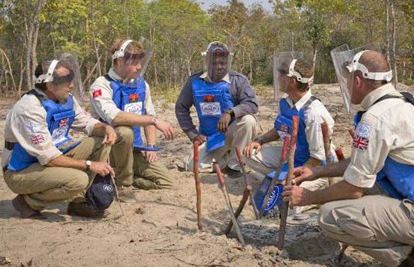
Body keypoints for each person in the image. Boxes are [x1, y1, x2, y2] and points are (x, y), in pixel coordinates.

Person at [283, 49, 414, 267]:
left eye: (346, 80)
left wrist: (310, 197)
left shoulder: (375, 118)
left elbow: (354, 188)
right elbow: (362, 165)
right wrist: (318, 171)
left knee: (331, 215)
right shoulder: (406, 103)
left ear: (358, 80)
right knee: (368, 187)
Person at [2, 59, 125, 219]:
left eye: (71, 79)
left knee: (99, 140)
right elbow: (49, 158)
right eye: (66, 81)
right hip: (20, 170)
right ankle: (28, 202)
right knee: (78, 180)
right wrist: (89, 165)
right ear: (50, 86)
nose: (71, 85)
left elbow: (86, 122)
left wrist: (106, 128)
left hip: (51, 157)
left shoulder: (66, 99)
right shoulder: (29, 109)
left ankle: (79, 202)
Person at [243, 57, 333, 216]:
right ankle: (279, 180)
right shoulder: (286, 103)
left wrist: (293, 178)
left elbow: (317, 158)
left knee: (288, 204)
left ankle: (315, 191)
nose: (278, 77)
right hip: (293, 155)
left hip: (316, 167)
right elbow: (280, 129)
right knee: (250, 154)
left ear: (292, 80)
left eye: (282, 73)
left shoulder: (313, 113)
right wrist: (260, 140)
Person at [89, 39, 176, 192]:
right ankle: (124, 185)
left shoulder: (142, 85)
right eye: (134, 62)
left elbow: (148, 113)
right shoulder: (101, 85)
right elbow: (114, 117)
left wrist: (150, 146)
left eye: (140, 61)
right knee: (124, 131)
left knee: (166, 182)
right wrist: (154, 121)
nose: (139, 67)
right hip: (108, 149)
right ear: (121, 60)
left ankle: (124, 176)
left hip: (134, 148)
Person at [175, 41, 258, 178]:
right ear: (207, 61)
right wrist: (192, 134)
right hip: (209, 139)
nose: (219, 67)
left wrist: (230, 113)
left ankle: (235, 164)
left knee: (248, 121)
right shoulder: (194, 81)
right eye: (214, 63)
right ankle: (223, 160)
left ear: (228, 62)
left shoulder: (238, 80)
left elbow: (252, 104)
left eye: (223, 63)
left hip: (232, 134)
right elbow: (181, 107)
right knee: (192, 166)